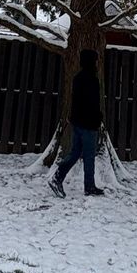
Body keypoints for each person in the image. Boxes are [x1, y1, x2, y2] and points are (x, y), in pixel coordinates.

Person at [49, 49, 105, 197]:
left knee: (74, 153)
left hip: (78, 122)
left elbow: (76, 101)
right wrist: (98, 118)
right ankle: (89, 186)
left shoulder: (77, 78)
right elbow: (93, 103)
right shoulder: (92, 79)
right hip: (88, 123)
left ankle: (58, 177)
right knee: (89, 156)